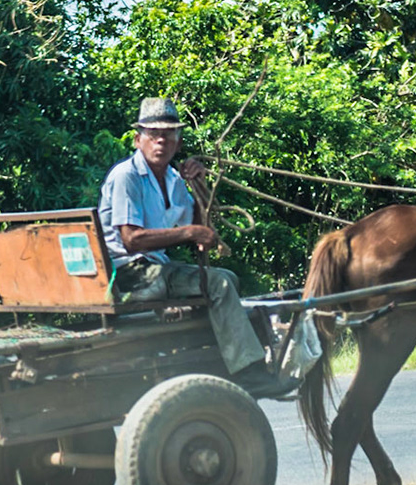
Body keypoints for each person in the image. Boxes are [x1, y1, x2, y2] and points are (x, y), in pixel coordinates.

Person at [98, 97, 291, 397]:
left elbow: (202, 228)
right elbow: (131, 240)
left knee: (228, 278)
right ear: (138, 139)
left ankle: (218, 359)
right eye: (153, 134)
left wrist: (198, 185)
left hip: (155, 268)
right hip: (129, 273)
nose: (161, 140)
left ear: (178, 142)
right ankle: (250, 374)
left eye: (169, 134)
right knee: (220, 285)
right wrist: (189, 232)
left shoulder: (174, 179)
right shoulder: (127, 177)